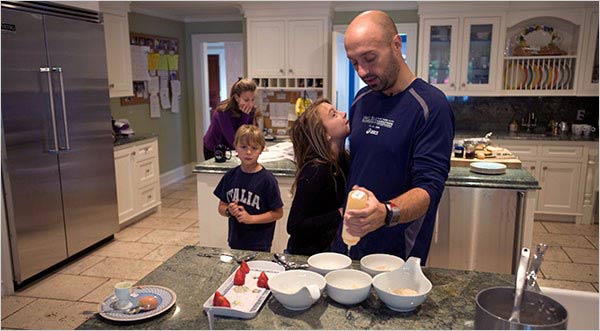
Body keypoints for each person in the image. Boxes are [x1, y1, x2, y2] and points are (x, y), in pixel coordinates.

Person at [330, 10, 455, 264]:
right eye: (354, 62)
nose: (362, 71)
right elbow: (362, 165)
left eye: (370, 58)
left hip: (397, 248)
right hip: (350, 239)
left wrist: (385, 212)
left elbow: (429, 188)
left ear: (396, 45)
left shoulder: (431, 105)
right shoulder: (361, 100)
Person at [286, 99, 351, 256]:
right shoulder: (316, 171)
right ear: (325, 134)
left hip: (328, 252)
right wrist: (339, 214)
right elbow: (294, 225)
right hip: (305, 256)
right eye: (334, 115)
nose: (344, 114)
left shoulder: (344, 161)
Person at [213, 125, 284, 252]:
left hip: (260, 243)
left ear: (261, 149)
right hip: (236, 240)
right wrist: (230, 211)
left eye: (254, 148)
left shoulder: (267, 180)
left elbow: (278, 213)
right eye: (244, 147)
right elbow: (221, 207)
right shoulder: (230, 176)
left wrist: (251, 219)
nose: (249, 152)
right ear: (236, 147)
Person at [203, 78, 257, 160]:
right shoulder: (223, 112)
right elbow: (233, 140)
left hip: (233, 149)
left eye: (252, 99)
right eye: (246, 100)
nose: (250, 104)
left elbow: (248, 133)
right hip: (214, 148)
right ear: (236, 98)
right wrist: (245, 116)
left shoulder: (250, 109)